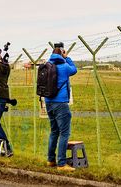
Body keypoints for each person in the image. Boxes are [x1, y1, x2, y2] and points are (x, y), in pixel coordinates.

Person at [44, 42, 78, 171]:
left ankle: (50, 160)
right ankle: (62, 163)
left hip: (48, 102)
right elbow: (74, 69)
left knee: (54, 131)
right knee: (64, 133)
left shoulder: (47, 65)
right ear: (62, 53)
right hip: (61, 103)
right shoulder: (64, 66)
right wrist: (67, 57)